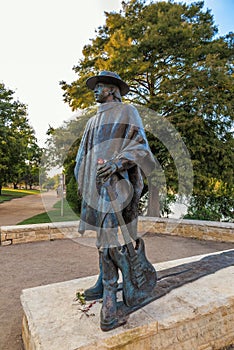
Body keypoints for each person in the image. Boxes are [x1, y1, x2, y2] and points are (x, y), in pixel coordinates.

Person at [74, 71, 156, 330]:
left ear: (112, 89)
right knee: (102, 236)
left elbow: (140, 147)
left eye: (99, 87)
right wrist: (84, 182)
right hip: (94, 188)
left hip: (117, 186)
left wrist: (116, 163)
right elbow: (81, 156)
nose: (95, 91)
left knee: (108, 238)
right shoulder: (91, 122)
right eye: (95, 88)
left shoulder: (127, 112)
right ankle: (102, 279)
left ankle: (109, 299)